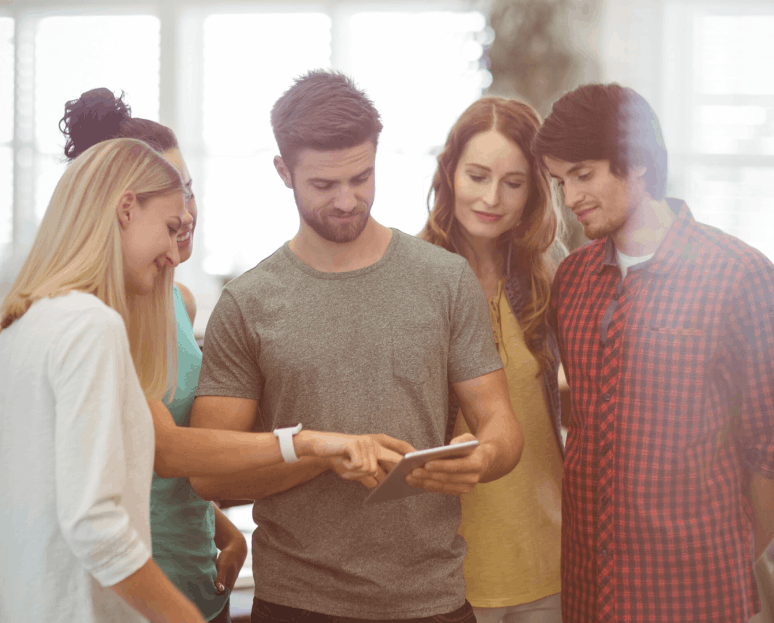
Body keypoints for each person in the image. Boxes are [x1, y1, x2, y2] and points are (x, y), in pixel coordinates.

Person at [187, 69, 524, 623]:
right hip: (296, 603)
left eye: (362, 177)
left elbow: (501, 425)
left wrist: (485, 458)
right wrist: (321, 453)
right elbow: (211, 474)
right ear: (283, 172)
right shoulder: (249, 303)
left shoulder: (445, 279)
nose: (347, 200)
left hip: (432, 600)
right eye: (324, 185)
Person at [533, 83, 774, 623]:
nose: (570, 198)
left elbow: (769, 451)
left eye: (584, 174)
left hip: (699, 594)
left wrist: (730, 556)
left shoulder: (739, 275)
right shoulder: (571, 280)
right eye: (560, 181)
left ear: (637, 164)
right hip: (588, 592)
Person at [0, 137, 208, 623]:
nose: (175, 257)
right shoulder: (91, 326)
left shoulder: (23, 326)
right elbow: (95, 522)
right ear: (127, 208)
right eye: (171, 227)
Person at [59, 87, 243, 622]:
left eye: (188, 188)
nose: (185, 211)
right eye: (170, 196)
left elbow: (155, 470)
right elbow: (167, 451)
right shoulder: (100, 317)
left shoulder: (180, 303)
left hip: (203, 584)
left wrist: (227, 531)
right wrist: (305, 447)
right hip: (142, 591)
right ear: (125, 207)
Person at [419, 96, 565, 623]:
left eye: (513, 182)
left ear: (534, 192)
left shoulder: (549, 282)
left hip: (549, 556)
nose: (491, 198)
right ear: (448, 174)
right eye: (477, 175)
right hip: (448, 570)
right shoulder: (411, 280)